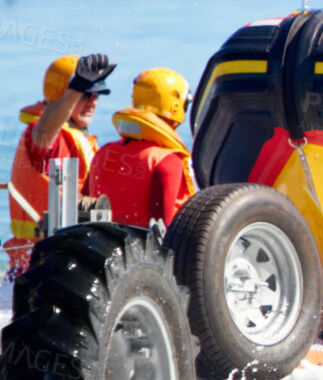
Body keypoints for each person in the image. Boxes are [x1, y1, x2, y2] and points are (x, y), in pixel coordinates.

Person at [6, 53, 114, 276]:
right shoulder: (45, 133)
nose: (93, 102)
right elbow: (43, 134)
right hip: (38, 263)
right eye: (86, 95)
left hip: (65, 255)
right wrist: (76, 88)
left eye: (96, 96)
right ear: (65, 93)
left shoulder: (79, 136)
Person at [88, 69, 197, 228]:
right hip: (138, 251)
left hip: (97, 246)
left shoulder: (104, 152)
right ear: (176, 107)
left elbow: (83, 208)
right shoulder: (167, 161)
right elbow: (161, 231)